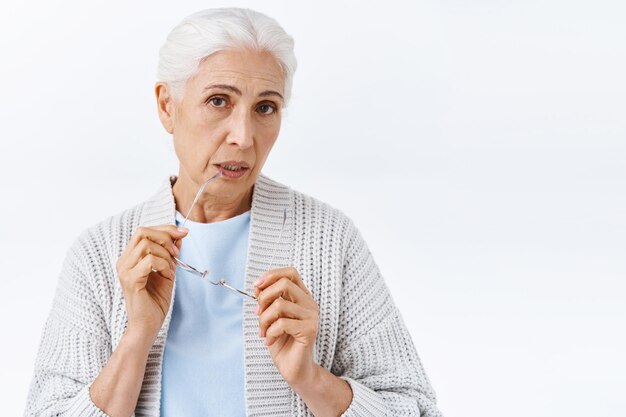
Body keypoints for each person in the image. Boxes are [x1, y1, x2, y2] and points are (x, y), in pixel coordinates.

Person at [24, 7, 442, 417]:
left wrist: (310, 378)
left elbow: (417, 409)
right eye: (219, 101)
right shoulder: (99, 253)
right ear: (167, 106)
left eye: (265, 108)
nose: (243, 137)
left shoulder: (330, 239)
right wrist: (137, 337)